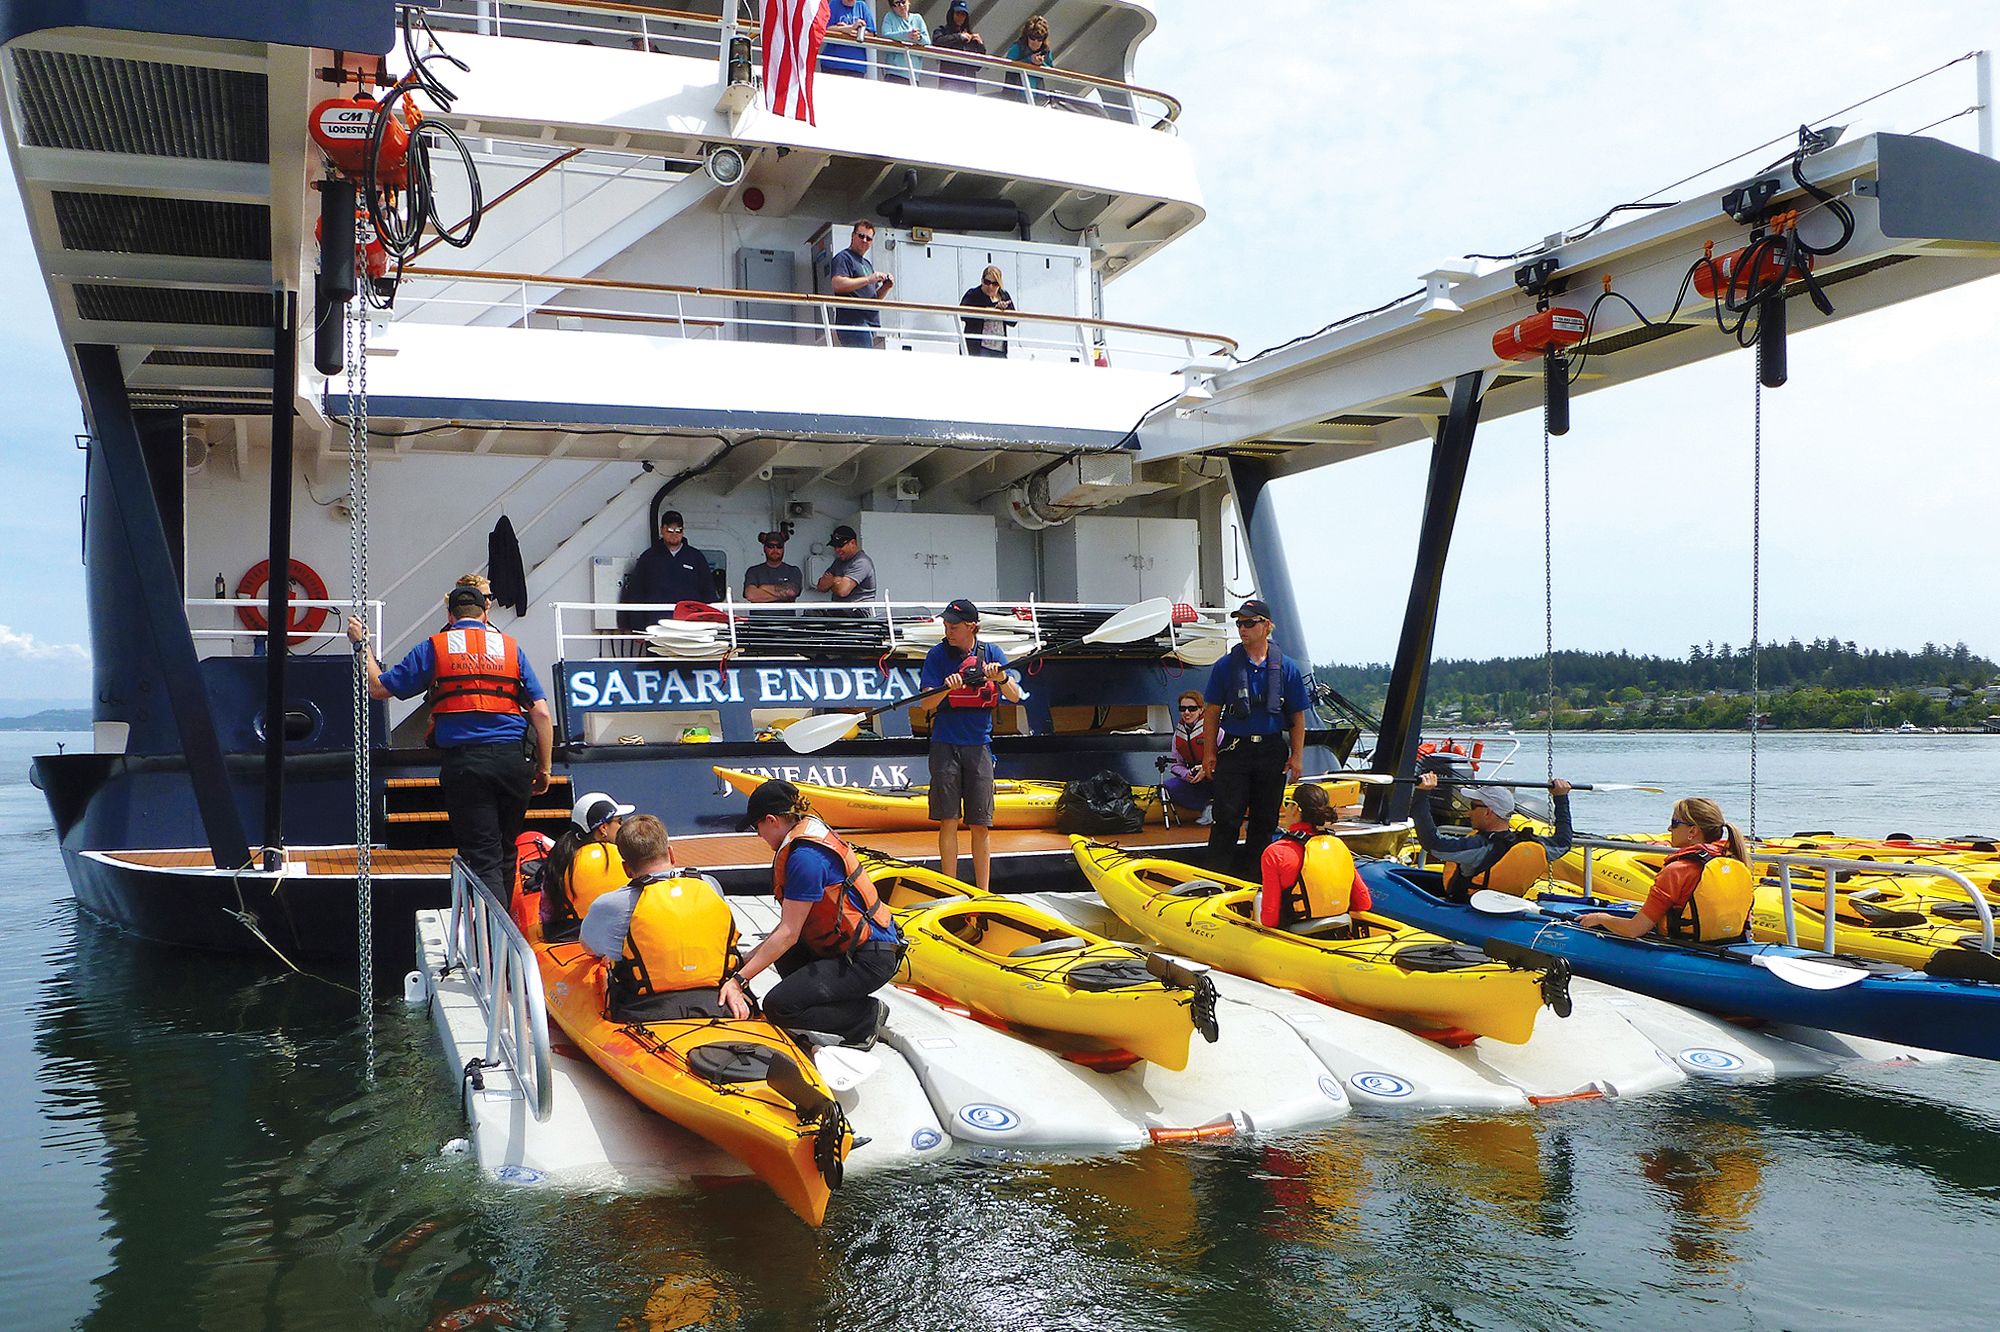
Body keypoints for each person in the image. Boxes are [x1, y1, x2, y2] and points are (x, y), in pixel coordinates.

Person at [346, 581, 553, 897]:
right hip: (515, 762)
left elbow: (378, 688)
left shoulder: (435, 647)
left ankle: (491, 942)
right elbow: (541, 714)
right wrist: (545, 768)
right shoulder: (511, 648)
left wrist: (362, 646)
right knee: (506, 850)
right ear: (485, 611)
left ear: (450, 614)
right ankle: (509, 931)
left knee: (483, 856)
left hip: (468, 765)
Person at [721, 780, 900, 1046]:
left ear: (771, 821)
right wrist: (747, 959)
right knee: (782, 954)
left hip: (870, 958)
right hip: (855, 947)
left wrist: (738, 980)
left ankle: (863, 1017)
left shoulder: (805, 858)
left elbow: (789, 933)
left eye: (756, 827)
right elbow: (789, 931)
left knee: (779, 1006)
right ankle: (838, 1001)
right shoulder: (807, 834)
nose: (758, 834)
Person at [580, 815, 747, 1020]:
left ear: (626, 868)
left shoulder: (610, 904)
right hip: (716, 1001)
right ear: (671, 853)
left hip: (645, 1008)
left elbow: (589, 947)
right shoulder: (710, 885)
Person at [919, 598, 1025, 891]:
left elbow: (1015, 697)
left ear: (971, 627)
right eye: (946, 625)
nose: (948, 630)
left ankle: (983, 891)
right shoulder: (937, 656)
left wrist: (1001, 677)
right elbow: (926, 704)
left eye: (954, 626)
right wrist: (946, 688)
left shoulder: (992, 653)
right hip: (945, 744)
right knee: (949, 819)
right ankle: (951, 889)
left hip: (979, 745)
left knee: (980, 823)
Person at [1198, 599, 1310, 874]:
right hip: (1236, 750)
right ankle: (1215, 877)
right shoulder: (1225, 666)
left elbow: (1297, 716)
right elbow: (1211, 712)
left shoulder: (1287, 667)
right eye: (1239, 623)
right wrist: (1209, 753)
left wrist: (1297, 757)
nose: (1242, 628)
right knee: (1226, 817)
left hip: (1271, 751)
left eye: (1249, 623)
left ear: (1267, 626)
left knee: (1265, 819)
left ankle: (1257, 879)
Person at [1578, 798, 1754, 941]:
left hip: (1685, 948)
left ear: (1692, 831)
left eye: (1674, 823)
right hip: (1728, 945)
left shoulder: (1676, 871)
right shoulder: (1736, 862)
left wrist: (1601, 918)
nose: (1669, 828)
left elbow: (1634, 930)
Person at [1413, 771, 1574, 902]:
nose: (1469, 812)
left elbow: (1432, 842)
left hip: (1468, 910)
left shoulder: (1479, 846)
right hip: (1507, 906)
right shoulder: (1535, 844)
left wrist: (1422, 794)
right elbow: (1564, 841)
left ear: (1489, 811)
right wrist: (1561, 798)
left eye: (1473, 806)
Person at [1259, 783, 1374, 934]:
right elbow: (1364, 903)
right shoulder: (1338, 845)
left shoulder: (1276, 852)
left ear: (1294, 809)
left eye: (1287, 803)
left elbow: (1269, 920)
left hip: (1296, 937)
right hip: (1338, 931)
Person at [539, 789, 635, 939]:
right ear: (603, 828)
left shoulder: (561, 855)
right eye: (619, 821)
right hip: (611, 937)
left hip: (565, 935)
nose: (622, 826)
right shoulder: (618, 855)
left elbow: (547, 913)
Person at [621, 510, 715, 626]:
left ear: (683, 531)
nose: (674, 534)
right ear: (662, 530)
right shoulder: (648, 558)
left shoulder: (696, 557)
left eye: (678, 530)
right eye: (670, 530)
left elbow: (708, 592)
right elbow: (637, 593)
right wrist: (638, 626)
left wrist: (710, 622)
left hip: (690, 625)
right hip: (656, 625)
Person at [829, 219, 893, 350]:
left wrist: (886, 287)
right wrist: (869, 279)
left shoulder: (867, 264)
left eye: (868, 238)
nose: (864, 240)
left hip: (869, 324)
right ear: (853, 236)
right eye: (861, 236)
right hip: (853, 323)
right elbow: (837, 283)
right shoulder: (844, 257)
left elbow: (874, 299)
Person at [1161, 688, 1212, 824]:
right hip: (1194, 779)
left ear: (1201, 710)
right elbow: (1176, 764)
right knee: (1170, 786)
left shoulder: (1214, 729)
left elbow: (1227, 758)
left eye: (1192, 708)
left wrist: (1205, 769)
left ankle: (1219, 806)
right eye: (1183, 709)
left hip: (1214, 775)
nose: (1187, 712)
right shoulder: (1178, 735)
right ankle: (1206, 807)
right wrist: (1186, 774)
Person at [959, 265, 1017, 358]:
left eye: (995, 284)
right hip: (978, 347)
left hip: (999, 348)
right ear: (982, 281)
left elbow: (1013, 321)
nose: (990, 286)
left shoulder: (1004, 295)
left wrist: (1004, 311)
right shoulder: (973, 294)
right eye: (987, 282)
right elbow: (962, 315)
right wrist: (991, 310)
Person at [931, 0, 986, 94]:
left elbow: (978, 66)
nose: (960, 17)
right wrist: (959, 37)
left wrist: (980, 45)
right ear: (951, 14)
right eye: (958, 13)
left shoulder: (971, 38)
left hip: (969, 85)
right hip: (949, 82)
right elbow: (937, 43)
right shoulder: (942, 31)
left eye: (963, 15)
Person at [814, 524, 878, 601]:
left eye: (840, 546)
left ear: (853, 543)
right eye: (835, 546)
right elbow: (821, 587)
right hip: (839, 610)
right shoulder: (838, 562)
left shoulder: (862, 562)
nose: (837, 550)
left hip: (858, 610)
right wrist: (837, 581)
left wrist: (832, 581)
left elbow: (843, 591)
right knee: (812, 611)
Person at [1003, 15, 1056, 105]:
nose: (1035, 42)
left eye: (1039, 39)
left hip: (1037, 98)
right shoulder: (1018, 47)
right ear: (1027, 36)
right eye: (1032, 38)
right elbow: (1007, 65)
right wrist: (1029, 60)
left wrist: (1041, 64)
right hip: (1015, 96)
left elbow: (1050, 71)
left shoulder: (1046, 51)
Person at [742, 530, 804, 603]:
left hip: (785, 615)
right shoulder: (753, 571)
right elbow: (751, 595)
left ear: (783, 548)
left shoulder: (793, 571)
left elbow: (791, 592)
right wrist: (783, 595)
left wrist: (763, 587)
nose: (775, 550)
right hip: (759, 615)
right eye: (770, 546)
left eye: (779, 546)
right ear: (764, 548)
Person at [876, 0, 928, 83]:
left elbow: (927, 41)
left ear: (908, 2)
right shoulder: (889, 17)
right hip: (895, 73)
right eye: (897, 3)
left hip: (914, 74)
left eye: (903, 2)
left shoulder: (918, 18)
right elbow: (886, 35)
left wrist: (919, 37)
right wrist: (907, 35)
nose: (901, 6)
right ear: (892, 7)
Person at [820, 0, 874, 78]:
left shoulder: (862, 6)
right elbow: (825, 28)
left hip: (856, 66)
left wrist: (853, 31)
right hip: (832, 64)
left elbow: (871, 33)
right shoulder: (834, 3)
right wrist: (845, 28)